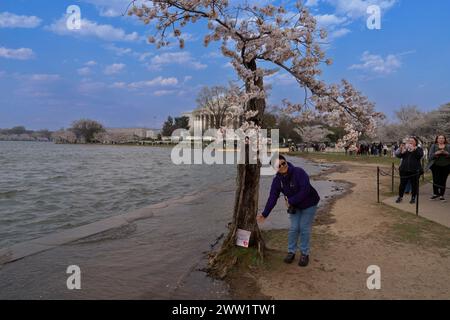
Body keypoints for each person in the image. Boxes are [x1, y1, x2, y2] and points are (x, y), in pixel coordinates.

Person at [257, 155, 320, 267]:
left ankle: (305, 254)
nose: (282, 166)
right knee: (294, 228)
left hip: (309, 203)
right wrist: (265, 213)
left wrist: (291, 200)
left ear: (286, 162)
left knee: (304, 228)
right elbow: (272, 197)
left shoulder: (298, 172)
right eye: (278, 165)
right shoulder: (277, 181)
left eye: (283, 163)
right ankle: (291, 252)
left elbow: (305, 189)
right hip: (295, 207)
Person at [395, 137, 424, 204]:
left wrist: (414, 149)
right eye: (409, 141)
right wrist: (401, 150)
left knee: (414, 185)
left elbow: (420, 156)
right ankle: (400, 197)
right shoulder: (405, 148)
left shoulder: (419, 149)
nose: (410, 142)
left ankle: (413, 197)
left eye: (412, 141)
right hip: (404, 169)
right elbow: (399, 156)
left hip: (414, 170)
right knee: (402, 184)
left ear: (415, 142)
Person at [428, 135, 450, 202]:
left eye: (442, 138)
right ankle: (435, 194)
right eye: (439, 138)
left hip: (446, 166)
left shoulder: (448, 146)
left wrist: (447, 154)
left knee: (443, 180)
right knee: (436, 180)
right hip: (435, 166)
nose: (441, 139)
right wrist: (436, 153)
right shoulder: (433, 146)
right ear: (437, 139)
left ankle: (441, 195)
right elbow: (430, 157)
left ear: (444, 139)